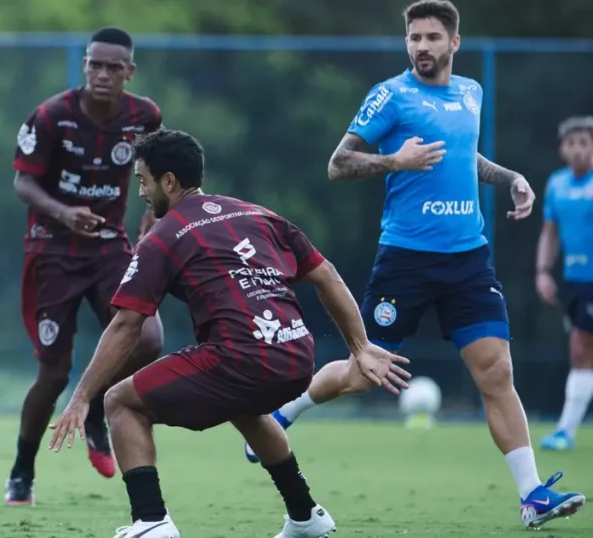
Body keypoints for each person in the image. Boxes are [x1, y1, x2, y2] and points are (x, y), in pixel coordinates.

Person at [239, 0, 585, 529]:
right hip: (406, 261)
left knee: (497, 372)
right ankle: (288, 409)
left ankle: (532, 494)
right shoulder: (390, 95)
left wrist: (510, 177)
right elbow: (338, 164)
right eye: (414, 38)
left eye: (431, 37)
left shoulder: (471, 91)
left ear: (454, 43)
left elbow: (464, 155)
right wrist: (393, 161)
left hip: (469, 259)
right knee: (363, 376)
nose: (422, 46)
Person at [48, 129, 410, 538]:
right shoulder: (258, 214)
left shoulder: (164, 237)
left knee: (120, 402)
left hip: (240, 358)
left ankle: (151, 522)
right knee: (245, 405)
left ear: (169, 182)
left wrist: (82, 398)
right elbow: (325, 275)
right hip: (296, 357)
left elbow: (126, 325)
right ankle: (306, 516)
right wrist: (359, 347)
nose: (143, 192)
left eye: (143, 181)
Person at [7, 26, 165, 504]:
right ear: (85, 66)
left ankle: (94, 407)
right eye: (94, 64)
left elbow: (157, 175)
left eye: (113, 67)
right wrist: (63, 212)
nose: (102, 73)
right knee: (53, 375)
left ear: (129, 72)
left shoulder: (145, 116)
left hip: (109, 247)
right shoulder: (53, 116)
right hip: (51, 251)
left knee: (150, 338)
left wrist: (152, 222)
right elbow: (23, 184)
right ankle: (22, 470)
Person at [536, 116, 593, 452]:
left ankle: (565, 431)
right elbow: (550, 232)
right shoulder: (556, 184)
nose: (577, 149)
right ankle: (565, 431)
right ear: (561, 149)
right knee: (581, 352)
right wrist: (543, 270)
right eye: (571, 143)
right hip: (574, 281)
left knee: (581, 349)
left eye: (584, 143)